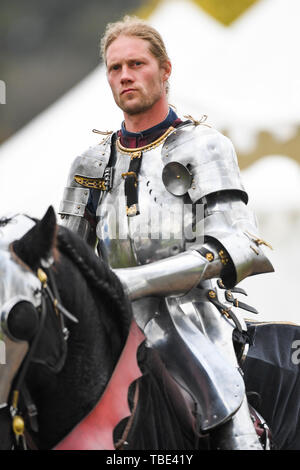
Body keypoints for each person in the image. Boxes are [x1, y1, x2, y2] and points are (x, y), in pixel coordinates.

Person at [59, 16, 276, 449]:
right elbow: (65, 258)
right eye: (115, 68)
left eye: (136, 64)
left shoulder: (204, 146)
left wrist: (128, 282)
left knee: (236, 430)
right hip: (110, 330)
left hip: (195, 321)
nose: (124, 76)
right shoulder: (90, 164)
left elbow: (240, 244)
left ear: (165, 70)